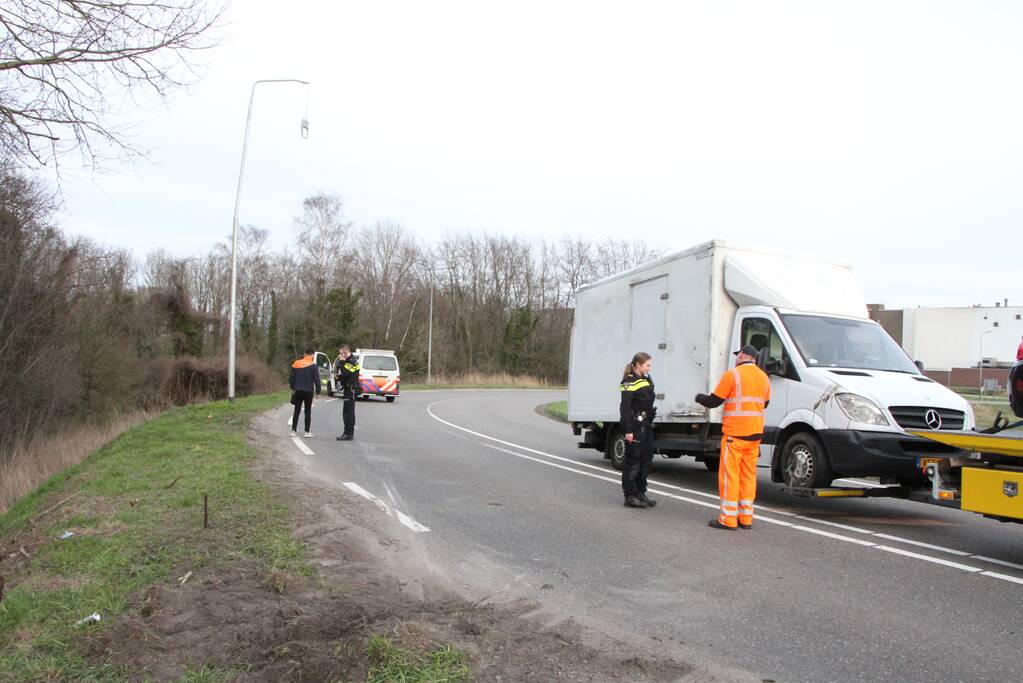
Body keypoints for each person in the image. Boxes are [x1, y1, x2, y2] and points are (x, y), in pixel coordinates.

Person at [695, 344, 771, 531]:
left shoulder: (733, 375)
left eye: (738, 354)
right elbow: (766, 403)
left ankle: (728, 519)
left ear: (744, 355)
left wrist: (698, 397)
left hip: (735, 434)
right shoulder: (763, 377)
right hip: (755, 435)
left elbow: (714, 401)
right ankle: (746, 518)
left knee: (730, 476)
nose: (736, 357)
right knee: (748, 476)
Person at [619, 352, 657, 509]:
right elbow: (625, 408)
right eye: (647, 365)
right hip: (635, 427)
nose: (649, 368)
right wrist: (628, 429)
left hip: (646, 425)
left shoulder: (645, 379)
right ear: (638, 365)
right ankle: (630, 495)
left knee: (646, 460)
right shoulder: (629, 382)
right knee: (633, 461)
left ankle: (641, 492)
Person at [290, 346, 321, 437]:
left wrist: (292, 387)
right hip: (308, 391)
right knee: (307, 411)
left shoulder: (296, 363)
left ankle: (293, 431)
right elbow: (317, 380)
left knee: (296, 411)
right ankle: (307, 432)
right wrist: (318, 392)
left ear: (304, 354)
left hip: (298, 390)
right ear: (313, 355)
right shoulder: (314, 366)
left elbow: (291, 377)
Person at [335, 344, 361, 441]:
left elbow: (346, 372)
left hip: (350, 389)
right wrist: (339, 377)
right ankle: (349, 433)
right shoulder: (349, 361)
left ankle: (348, 433)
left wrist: (341, 362)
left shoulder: (352, 361)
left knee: (347, 413)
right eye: (340, 354)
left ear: (347, 352)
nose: (341, 356)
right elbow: (347, 375)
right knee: (350, 412)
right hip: (349, 388)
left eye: (342, 354)